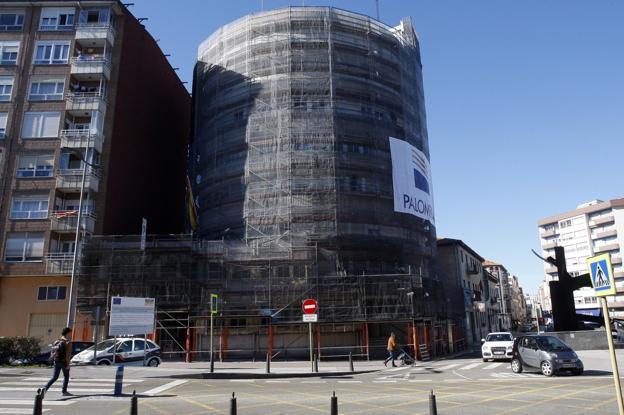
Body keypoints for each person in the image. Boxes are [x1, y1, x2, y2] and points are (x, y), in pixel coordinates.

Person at [43, 327, 72, 397]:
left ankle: (44, 389)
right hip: (64, 362)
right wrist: (68, 364)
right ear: (67, 333)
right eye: (70, 333)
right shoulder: (68, 342)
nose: (70, 335)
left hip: (56, 361)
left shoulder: (57, 341)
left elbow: (53, 352)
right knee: (66, 376)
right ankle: (64, 392)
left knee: (54, 377)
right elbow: (68, 355)